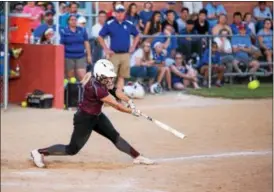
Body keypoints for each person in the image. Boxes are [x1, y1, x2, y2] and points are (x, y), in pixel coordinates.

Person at [30, 59, 154, 168]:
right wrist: (132, 111)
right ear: (100, 75)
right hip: (85, 119)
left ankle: (137, 156)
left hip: (97, 116)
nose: (110, 79)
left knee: (114, 136)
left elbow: (116, 92)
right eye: (108, 76)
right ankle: (39, 152)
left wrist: (129, 101)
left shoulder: (103, 81)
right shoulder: (97, 88)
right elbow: (116, 105)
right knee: (72, 149)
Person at [98, 4, 140, 91]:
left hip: (125, 54)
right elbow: (100, 36)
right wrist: (106, 49)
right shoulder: (109, 24)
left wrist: (133, 47)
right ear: (115, 13)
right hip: (114, 54)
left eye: (121, 12)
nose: (120, 14)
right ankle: (108, 96)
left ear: (124, 13)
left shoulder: (129, 24)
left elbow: (137, 35)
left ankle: (118, 95)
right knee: (110, 76)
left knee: (122, 76)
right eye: (118, 12)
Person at [60, 15, 92, 80]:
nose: (74, 21)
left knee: (82, 75)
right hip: (68, 56)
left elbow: (86, 43)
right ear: (68, 21)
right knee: (70, 77)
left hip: (80, 56)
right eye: (72, 20)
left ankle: (84, 89)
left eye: (75, 20)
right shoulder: (64, 31)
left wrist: (89, 55)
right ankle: (72, 90)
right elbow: (61, 45)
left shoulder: (82, 30)